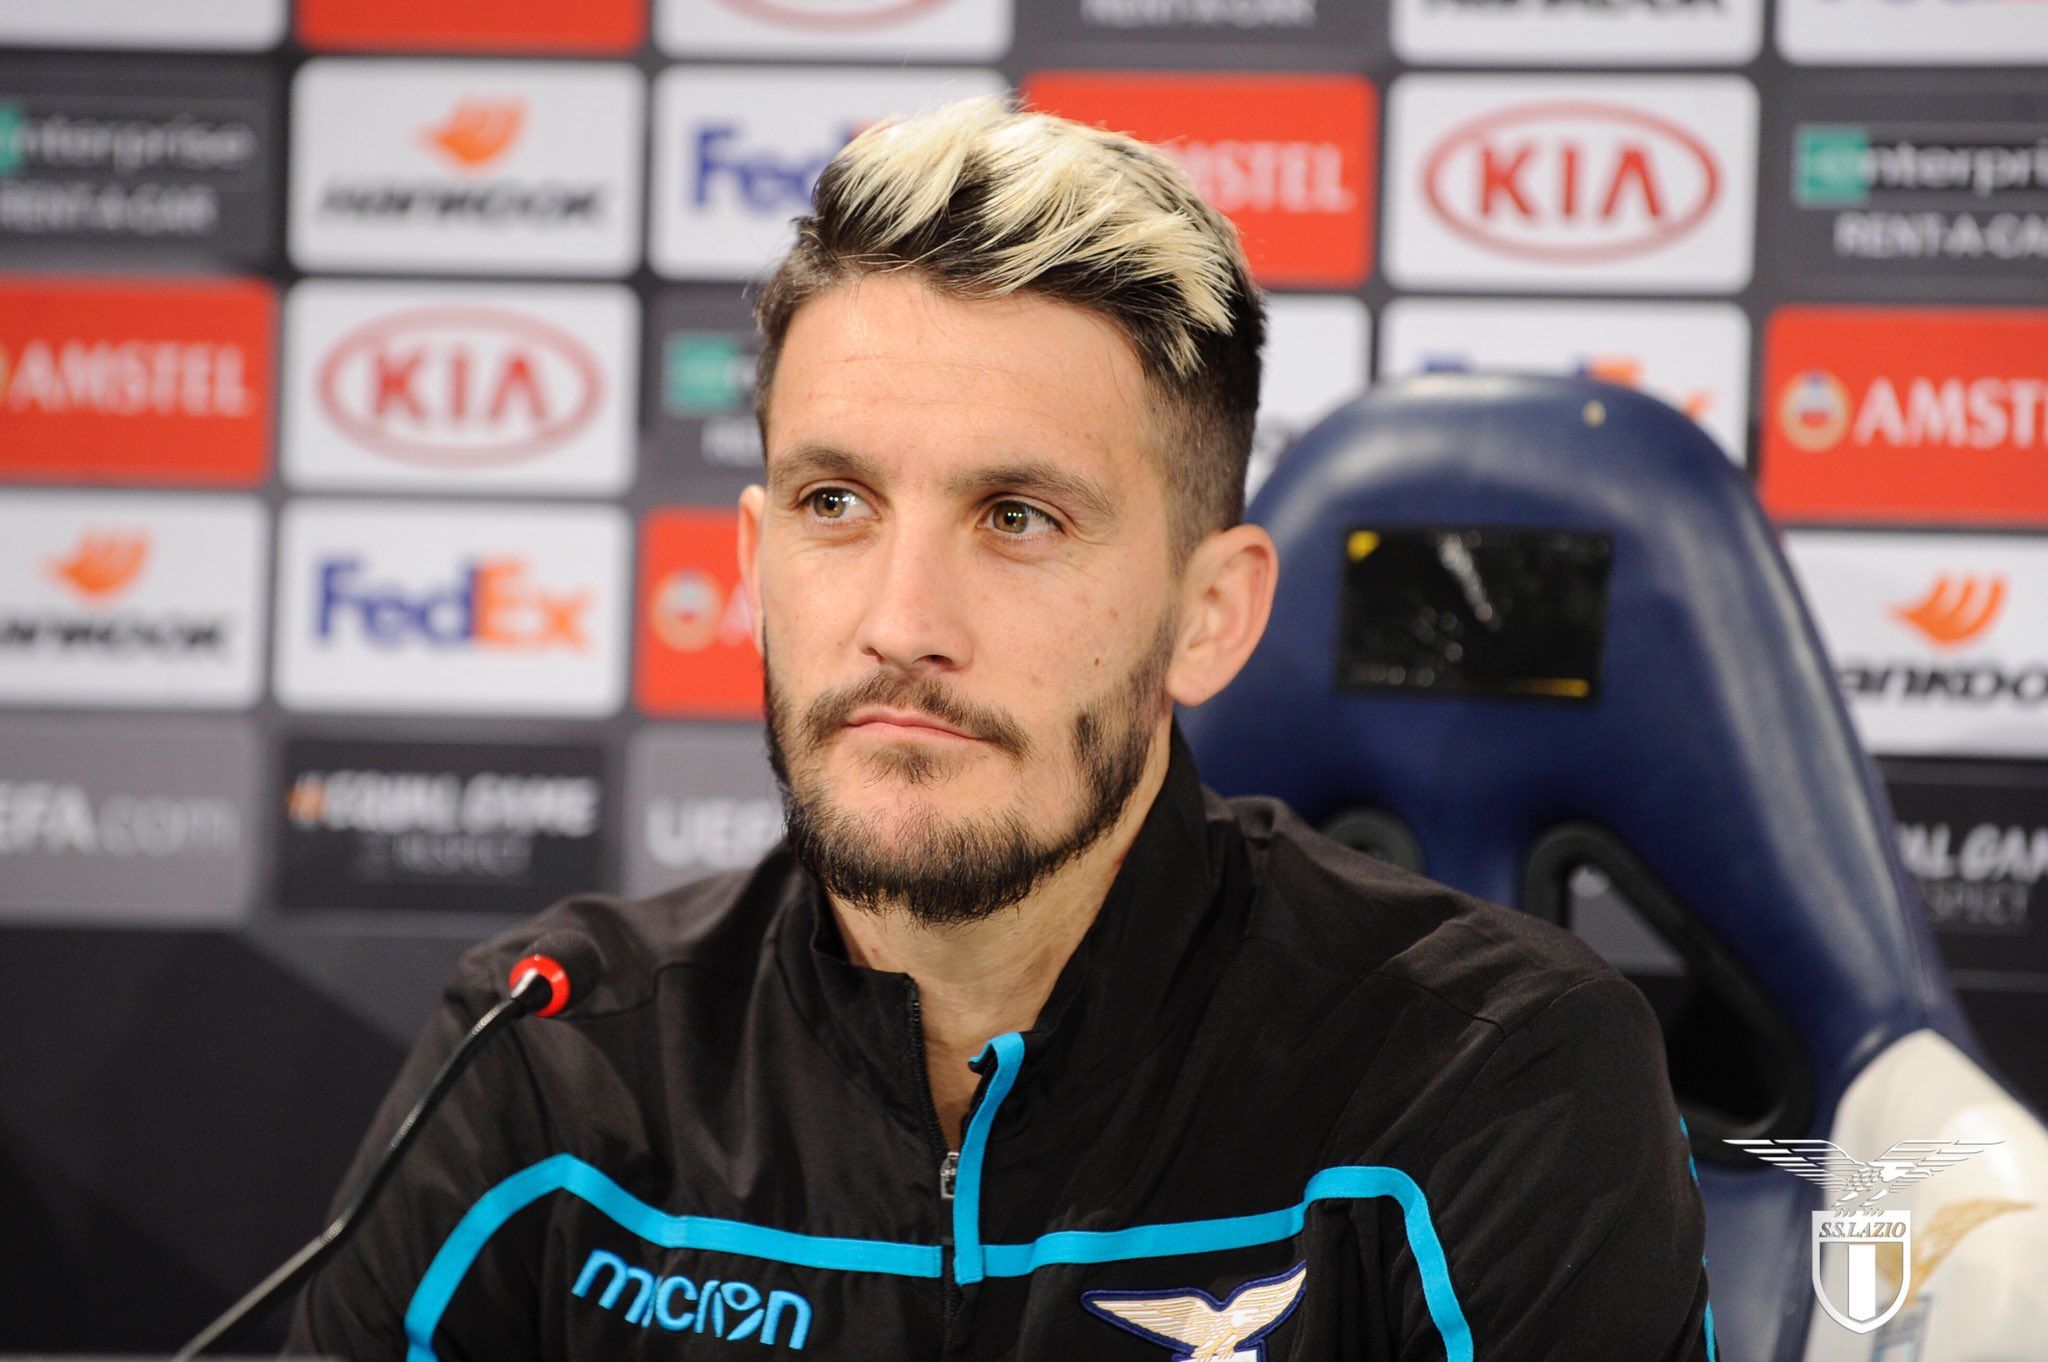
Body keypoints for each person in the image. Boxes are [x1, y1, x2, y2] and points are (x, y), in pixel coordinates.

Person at [290, 96, 1717, 1360]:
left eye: (1018, 517)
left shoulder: (1485, 1072)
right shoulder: (553, 1066)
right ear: (751, 562)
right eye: (834, 504)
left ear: (1211, 612)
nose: (902, 618)